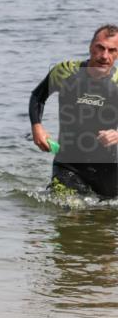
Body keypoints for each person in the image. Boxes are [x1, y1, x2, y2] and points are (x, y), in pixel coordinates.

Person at [30, 24, 118, 199]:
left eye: (112, 50)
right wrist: (37, 127)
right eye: (100, 48)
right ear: (90, 47)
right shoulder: (65, 71)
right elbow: (37, 97)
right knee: (68, 209)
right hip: (67, 163)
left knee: (107, 213)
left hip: (108, 166)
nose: (104, 56)